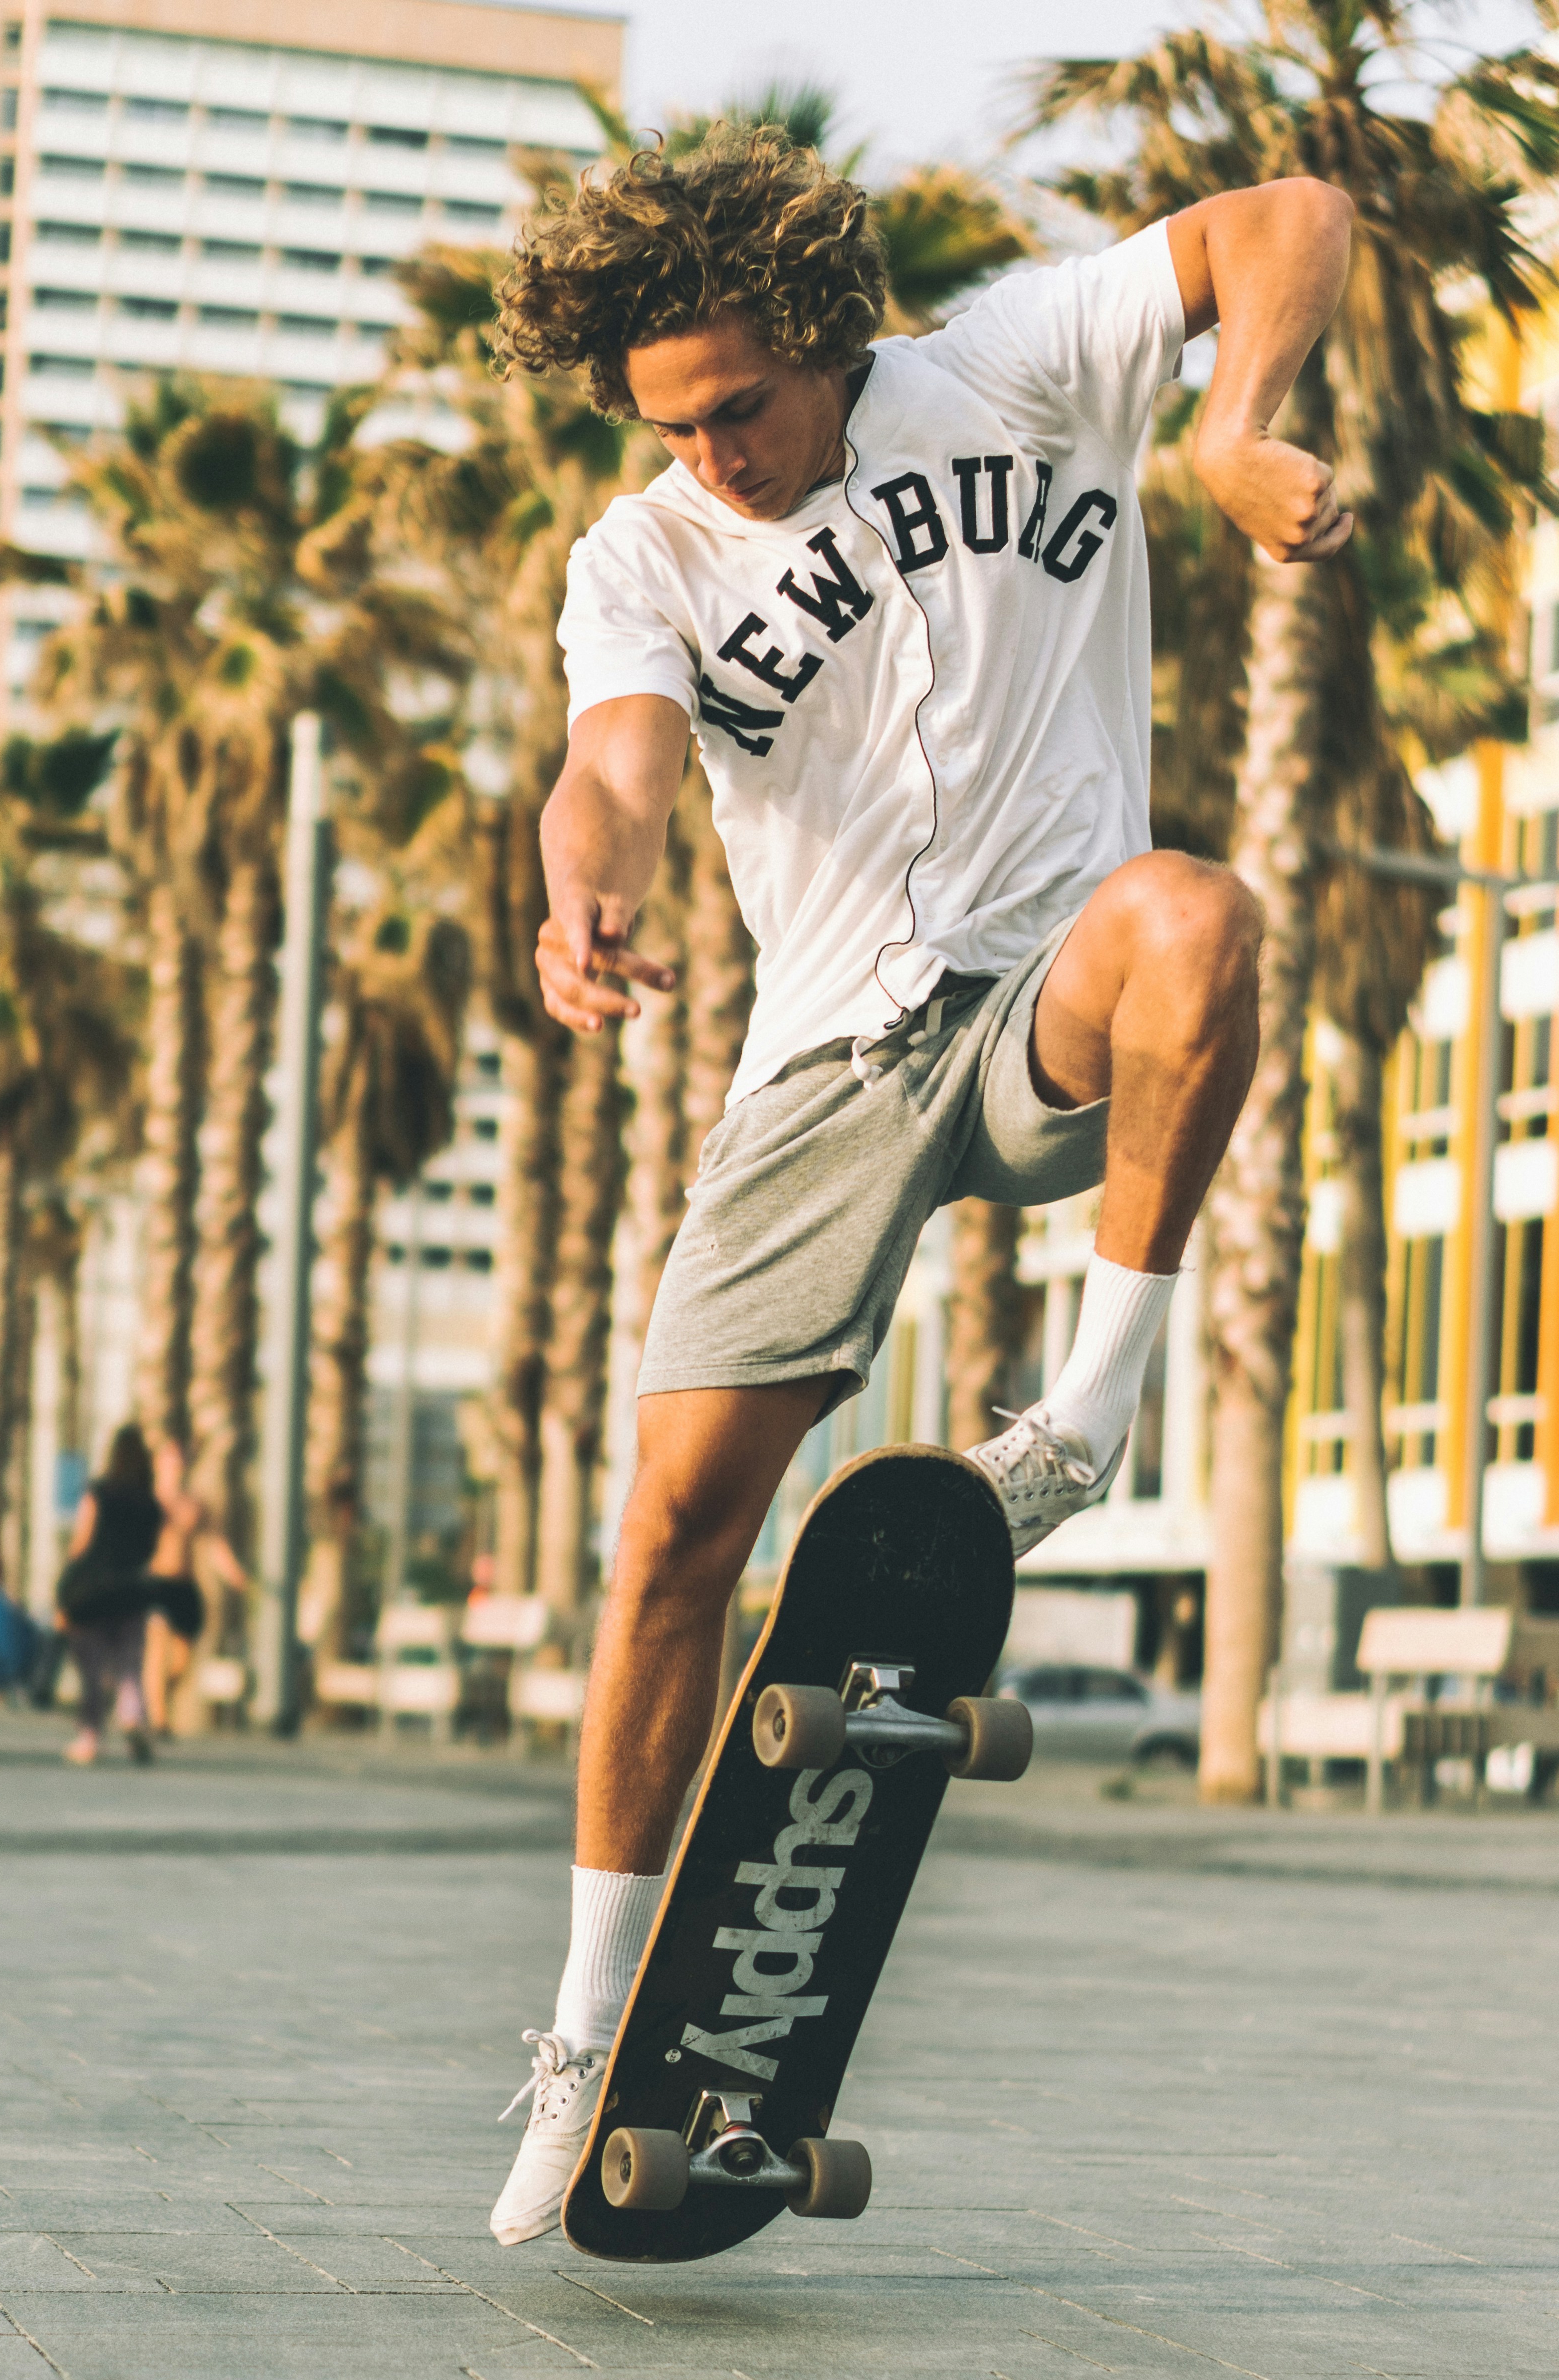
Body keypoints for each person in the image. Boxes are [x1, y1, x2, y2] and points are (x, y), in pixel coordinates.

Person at [483, 139, 1355, 2244]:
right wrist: (577, 883)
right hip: (823, 1057)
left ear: (821, 330)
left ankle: (1085, 1417)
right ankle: (580, 2034)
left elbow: (1292, 215)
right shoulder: (645, 556)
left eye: (740, 407)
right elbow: (610, 764)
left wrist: (1228, 423)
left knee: (1198, 920)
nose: (716, 453)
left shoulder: (1013, 362)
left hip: (1053, 995)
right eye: (668, 422)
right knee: (673, 1540)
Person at [57, 1421, 164, 1766]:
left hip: (93, 1592)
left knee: (91, 1669)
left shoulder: (99, 1493)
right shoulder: (151, 1504)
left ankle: (90, 1738)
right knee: (130, 1666)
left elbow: (81, 1544)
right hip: (132, 1591)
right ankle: (133, 1718)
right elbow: (150, 1552)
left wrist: (65, 1588)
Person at [142, 1438, 247, 1739]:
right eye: (170, 1459)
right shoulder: (148, 1501)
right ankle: (159, 1718)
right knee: (157, 1651)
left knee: (181, 1661)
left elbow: (215, 1543)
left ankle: (159, 1699)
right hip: (154, 1584)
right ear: (158, 1464)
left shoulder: (194, 1505)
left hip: (184, 1587)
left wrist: (234, 1574)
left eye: (180, 1460)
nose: (176, 1466)